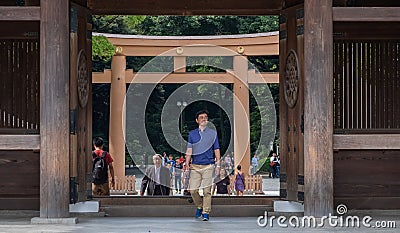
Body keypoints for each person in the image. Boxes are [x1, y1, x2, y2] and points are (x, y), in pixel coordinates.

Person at [184, 110, 221, 221]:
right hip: (195, 165)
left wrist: (218, 165)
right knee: (193, 190)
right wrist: (186, 163)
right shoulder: (192, 134)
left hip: (208, 165)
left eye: (206, 117)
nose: (204, 119)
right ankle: (200, 206)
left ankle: (206, 212)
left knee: (206, 191)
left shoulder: (212, 133)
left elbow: (216, 149)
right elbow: (189, 150)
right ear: (197, 120)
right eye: (201, 117)